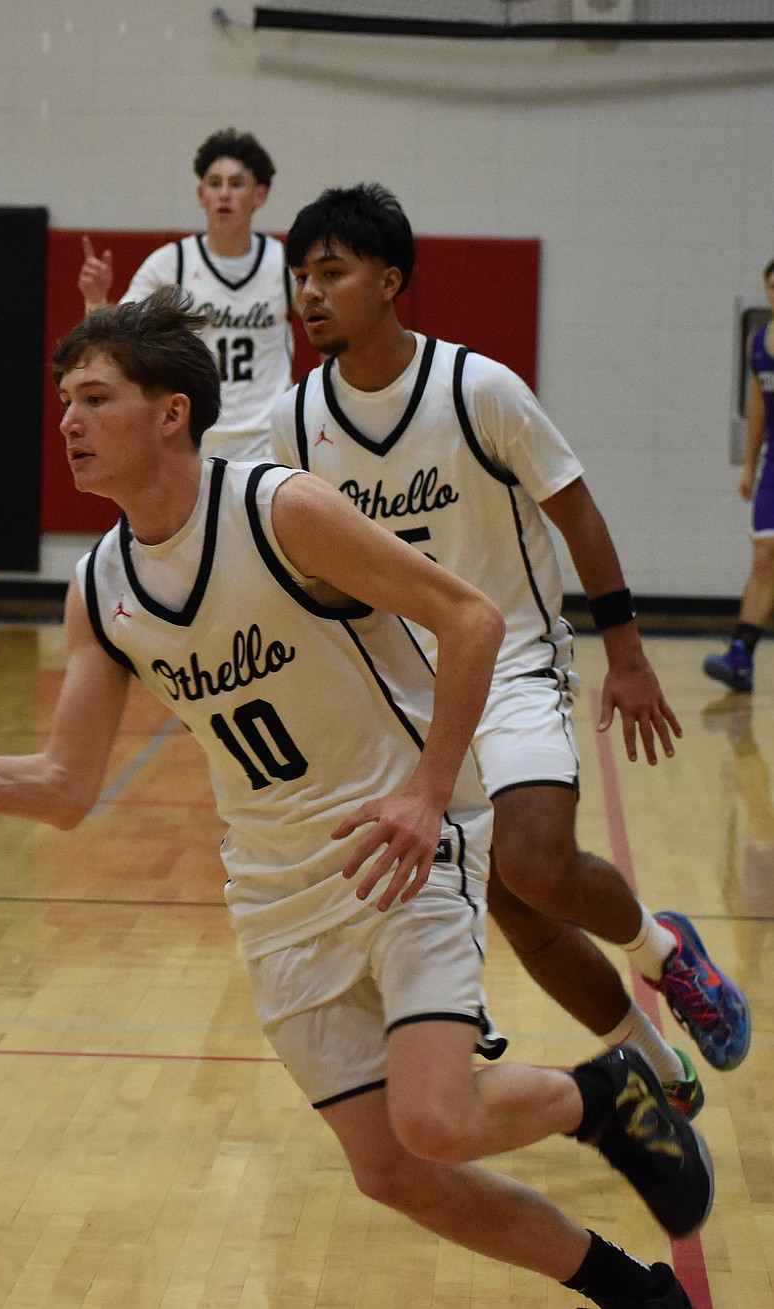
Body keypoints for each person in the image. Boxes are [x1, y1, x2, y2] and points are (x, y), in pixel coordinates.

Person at [0, 290, 712, 1309]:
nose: (68, 424)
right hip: (276, 894)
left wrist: (429, 790)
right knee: (391, 1170)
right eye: (64, 404)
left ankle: (605, 1097)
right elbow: (63, 788)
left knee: (435, 1117)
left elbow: (472, 618)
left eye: (94, 398)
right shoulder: (100, 587)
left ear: (171, 411)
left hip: (397, 844)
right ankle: (635, 1291)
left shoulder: (280, 510)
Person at [268, 184, 752, 1110]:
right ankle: (656, 1063)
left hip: (514, 663)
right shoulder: (297, 422)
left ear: (391, 279)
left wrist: (631, 653)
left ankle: (665, 950)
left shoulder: (477, 388)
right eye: (301, 276)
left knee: (535, 860)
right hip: (406, 697)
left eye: (332, 271)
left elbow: (577, 510)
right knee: (523, 917)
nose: (310, 293)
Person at [77, 128, 293, 462]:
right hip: (195, 438)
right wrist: (96, 298)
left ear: (259, 195)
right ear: (201, 194)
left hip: (269, 440)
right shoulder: (171, 263)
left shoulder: (284, 264)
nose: (224, 194)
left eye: (236, 184)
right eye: (215, 183)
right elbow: (114, 341)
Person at [703, 257, 774, 693]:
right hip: (773, 464)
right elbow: (757, 408)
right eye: (772, 287)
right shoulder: (760, 341)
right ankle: (741, 654)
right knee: (764, 558)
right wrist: (748, 465)